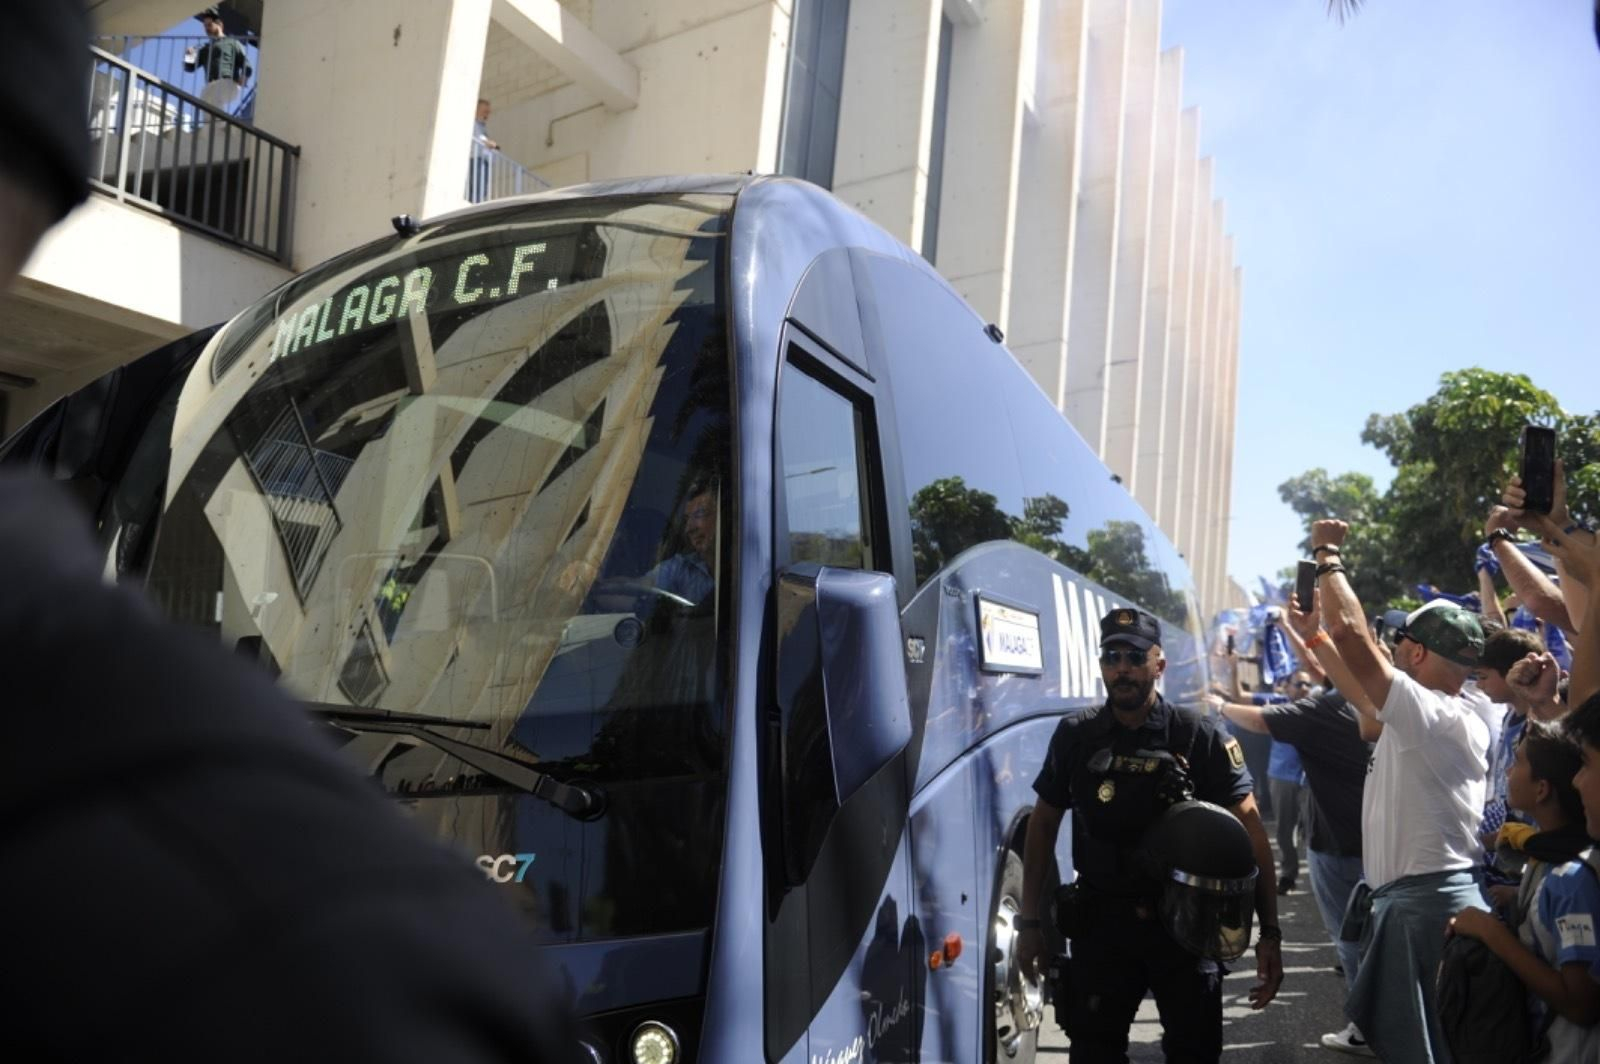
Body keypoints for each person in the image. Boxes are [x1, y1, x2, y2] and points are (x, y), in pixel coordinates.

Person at [1016, 607, 1282, 1063]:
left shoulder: (1197, 736)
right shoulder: (1076, 735)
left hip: (1187, 930)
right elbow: (1042, 825)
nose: (1122, 668)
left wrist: (1269, 933)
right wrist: (1029, 924)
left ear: (1158, 665)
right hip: (1102, 928)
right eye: (1112, 657)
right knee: (1093, 1055)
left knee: (1195, 1054)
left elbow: (1252, 835)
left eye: (1135, 657)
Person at [1309, 519, 1493, 1064]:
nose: (1389, 652)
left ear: (1416, 654)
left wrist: (1327, 555)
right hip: (1419, 902)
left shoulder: (1430, 713)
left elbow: (1353, 636)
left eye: (1399, 643)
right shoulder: (1445, 710)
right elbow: (1366, 701)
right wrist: (1316, 640)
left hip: (1424, 908)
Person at [1213, 624, 1374, 1056]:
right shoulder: (1376, 699)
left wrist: (1218, 705)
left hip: (1338, 845)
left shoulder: (1325, 709)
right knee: (1368, 939)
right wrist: (1296, 626)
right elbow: (1319, 666)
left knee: (1350, 940)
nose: (1313, 667)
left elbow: (1258, 720)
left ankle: (1365, 1027)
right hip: (1372, 840)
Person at [1448, 721, 1600, 1060]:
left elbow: (1581, 1004)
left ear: (1542, 789)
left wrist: (1491, 933)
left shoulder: (1571, 880)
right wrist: (1517, 900)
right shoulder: (1544, 857)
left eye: (1517, 762)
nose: (1508, 770)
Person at [648, 480, 717, 606]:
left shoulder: (748, 567)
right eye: (687, 519)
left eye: (699, 514)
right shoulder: (680, 567)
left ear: (721, 517)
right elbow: (638, 588)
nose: (689, 528)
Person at [183, 7, 250, 113]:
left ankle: (219, 121)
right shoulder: (205, 49)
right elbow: (190, 68)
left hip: (229, 83)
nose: (207, 29)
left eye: (209, 25)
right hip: (212, 85)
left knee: (212, 94)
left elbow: (246, 64)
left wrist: (243, 77)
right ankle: (215, 123)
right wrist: (189, 56)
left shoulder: (232, 43)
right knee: (204, 98)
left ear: (219, 25)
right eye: (205, 26)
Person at [470, 97, 498, 202]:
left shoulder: (482, 127)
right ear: (477, 110)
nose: (487, 114)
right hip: (476, 158)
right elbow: (476, 137)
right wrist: (488, 143)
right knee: (477, 187)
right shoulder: (473, 124)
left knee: (482, 189)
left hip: (483, 160)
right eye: (485, 111)